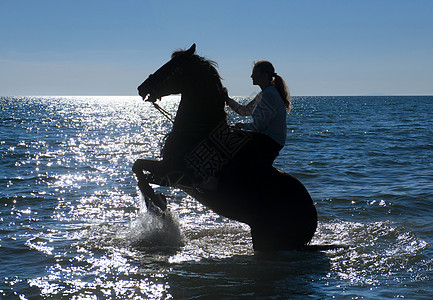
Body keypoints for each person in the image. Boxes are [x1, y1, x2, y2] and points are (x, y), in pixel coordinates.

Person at [225, 60, 291, 167]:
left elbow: (259, 126)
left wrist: (242, 126)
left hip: (270, 142)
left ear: (265, 75)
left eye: (255, 73)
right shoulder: (264, 93)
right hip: (266, 138)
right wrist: (228, 100)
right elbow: (245, 111)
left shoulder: (269, 94)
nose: (251, 76)